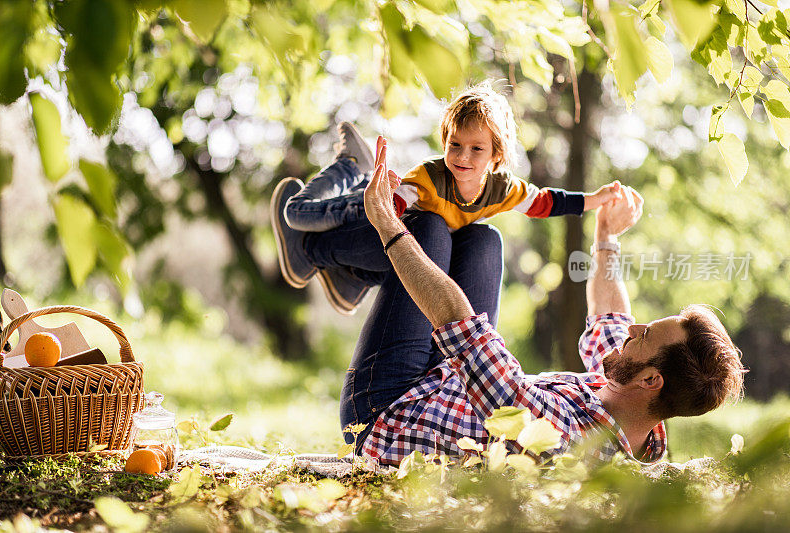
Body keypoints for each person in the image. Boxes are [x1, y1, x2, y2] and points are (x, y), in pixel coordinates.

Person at [321, 137, 744, 465]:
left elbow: (462, 330)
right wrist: (605, 237)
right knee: (483, 239)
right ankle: (354, 272)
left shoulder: (562, 440)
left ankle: (316, 251)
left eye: (646, 335)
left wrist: (387, 224)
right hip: (445, 379)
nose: (635, 328)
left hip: (388, 410)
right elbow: (611, 319)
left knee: (426, 230)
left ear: (651, 380)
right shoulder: (632, 402)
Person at [271, 81, 622, 314]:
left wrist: (596, 200)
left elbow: (546, 202)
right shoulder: (428, 177)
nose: (462, 157)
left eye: (476, 149)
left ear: (496, 156)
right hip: (364, 211)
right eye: (455, 144)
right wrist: (386, 196)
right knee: (296, 214)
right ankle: (350, 168)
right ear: (445, 141)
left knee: (425, 261)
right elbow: (390, 215)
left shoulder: (503, 188)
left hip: (399, 234)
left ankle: (350, 275)